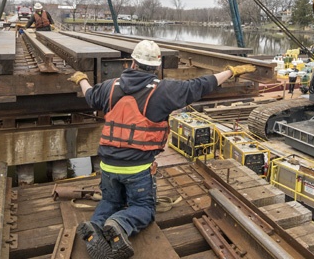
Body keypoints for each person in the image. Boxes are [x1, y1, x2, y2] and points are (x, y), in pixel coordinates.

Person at [67, 40, 256, 259]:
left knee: (110, 201)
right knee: (144, 209)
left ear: (132, 63)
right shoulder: (163, 90)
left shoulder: (110, 86)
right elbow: (200, 85)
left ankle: (96, 226)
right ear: (156, 67)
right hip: (138, 169)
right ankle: (120, 224)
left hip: (108, 165)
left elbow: (90, 96)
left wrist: (82, 79)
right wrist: (229, 72)